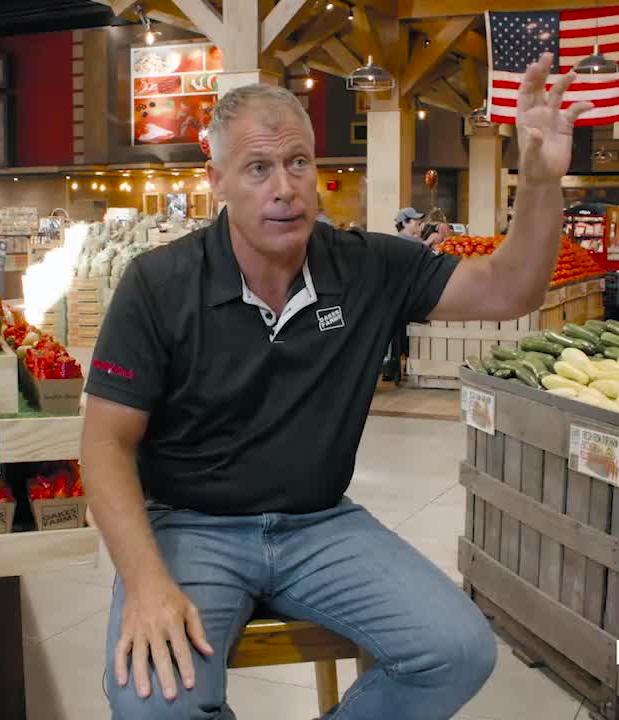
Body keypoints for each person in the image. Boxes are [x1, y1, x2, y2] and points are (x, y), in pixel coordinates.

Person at [82, 51, 589, 720]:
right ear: (218, 183)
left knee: (458, 650)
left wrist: (543, 182)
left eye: (298, 163)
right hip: (190, 526)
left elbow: (510, 286)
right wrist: (147, 584)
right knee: (153, 705)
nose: (284, 188)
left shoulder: (365, 267)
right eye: (258, 169)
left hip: (318, 525)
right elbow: (105, 446)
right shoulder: (158, 284)